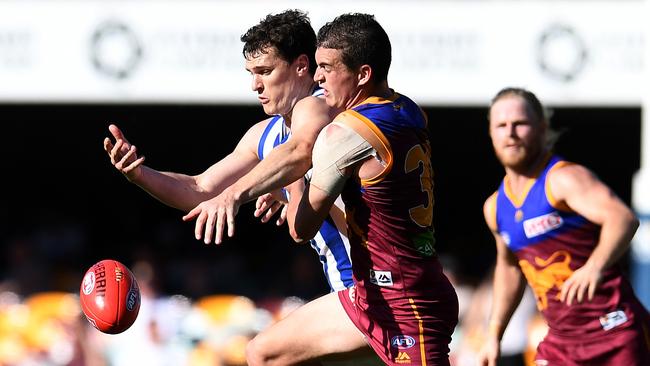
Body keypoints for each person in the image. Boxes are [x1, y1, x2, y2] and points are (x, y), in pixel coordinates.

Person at [243, 13, 458, 365]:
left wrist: (294, 180)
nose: (317, 77)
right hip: (372, 293)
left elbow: (301, 228)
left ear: (363, 74)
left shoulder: (343, 134)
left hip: (405, 303)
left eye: (327, 67)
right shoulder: (407, 109)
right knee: (263, 352)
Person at [103, 9, 354, 292]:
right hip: (350, 290)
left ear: (301, 66)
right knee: (264, 339)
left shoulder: (317, 105)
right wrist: (139, 174)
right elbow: (199, 188)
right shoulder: (265, 135)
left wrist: (235, 194)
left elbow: (300, 150)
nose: (255, 85)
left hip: (371, 287)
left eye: (265, 71)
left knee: (265, 339)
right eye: (251, 73)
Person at [477, 87, 650, 366]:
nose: (510, 132)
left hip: (613, 333)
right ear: (491, 133)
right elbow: (509, 268)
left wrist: (594, 266)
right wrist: (493, 335)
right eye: (501, 125)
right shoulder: (495, 207)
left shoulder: (563, 179)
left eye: (520, 123)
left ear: (542, 128)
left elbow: (622, 218)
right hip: (561, 343)